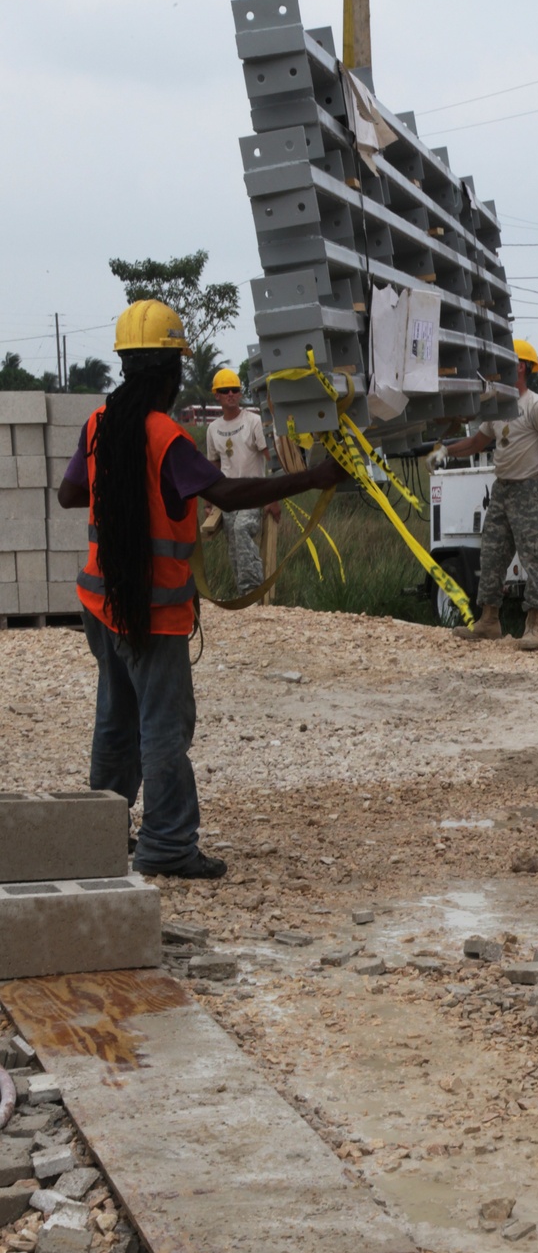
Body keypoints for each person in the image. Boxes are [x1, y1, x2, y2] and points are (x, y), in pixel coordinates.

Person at [57, 300, 345, 880]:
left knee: (116, 719)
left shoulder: (98, 425)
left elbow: (69, 495)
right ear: (168, 373)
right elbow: (230, 495)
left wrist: (120, 495)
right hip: (152, 612)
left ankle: (102, 833)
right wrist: (314, 477)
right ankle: (166, 845)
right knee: (163, 728)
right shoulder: (165, 436)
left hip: (99, 603)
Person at [428, 339, 538, 651]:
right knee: (492, 555)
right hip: (502, 491)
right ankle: (489, 621)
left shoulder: (537, 407)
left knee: (534, 559)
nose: (494, 371)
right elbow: (475, 444)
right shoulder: (497, 408)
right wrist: (444, 451)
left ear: (520, 367)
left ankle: (534, 625)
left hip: (528, 491)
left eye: (503, 364)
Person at [204, 367, 281, 596]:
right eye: (225, 390)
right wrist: (209, 502)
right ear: (216, 395)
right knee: (234, 546)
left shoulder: (254, 422)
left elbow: (272, 460)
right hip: (228, 497)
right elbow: (213, 467)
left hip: (253, 494)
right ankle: (243, 594)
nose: (231, 394)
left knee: (241, 530)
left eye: (235, 390)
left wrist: (273, 498)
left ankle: (253, 591)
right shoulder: (213, 429)